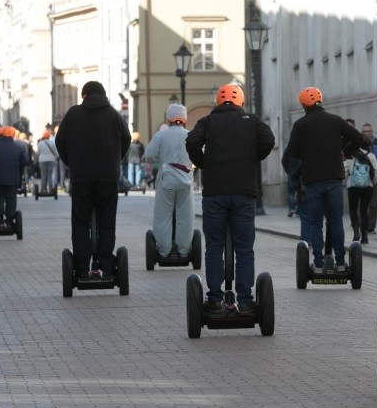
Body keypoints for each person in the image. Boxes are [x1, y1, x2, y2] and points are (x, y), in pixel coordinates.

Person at [185, 84, 274, 315]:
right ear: (240, 102)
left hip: (214, 193)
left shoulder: (208, 121)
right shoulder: (252, 120)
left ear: (218, 102)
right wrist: (252, 158)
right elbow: (269, 140)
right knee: (244, 248)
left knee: (214, 246)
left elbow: (192, 142)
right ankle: (245, 301)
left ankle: (215, 298)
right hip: (244, 192)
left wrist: (204, 162)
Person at [56, 81, 130, 278]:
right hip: (108, 176)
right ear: (104, 95)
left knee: (81, 222)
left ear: (84, 96)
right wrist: (115, 159)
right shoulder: (113, 114)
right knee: (106, 221)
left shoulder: (73, 114)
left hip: (81, 176)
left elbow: (60, 141)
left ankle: (81, 268)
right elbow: (126, 138)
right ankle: (106, 265)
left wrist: (72, 162)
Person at [287, 87, 363, 271]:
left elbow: (292, 152)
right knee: (336, 220)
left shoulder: (300, 125)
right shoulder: (335, 121)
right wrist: (343, 151)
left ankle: (319, 262)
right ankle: (341, 262)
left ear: (304, 105)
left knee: (315, 223)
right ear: (321, 101)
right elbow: (358, 138)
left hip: (313, 180)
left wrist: (307, 153)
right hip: (334, 179)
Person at [144, 104, 194, 257]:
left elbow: (149, 156)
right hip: (185, 181)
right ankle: (184, 251)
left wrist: (159, 159)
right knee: (185, 217)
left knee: (163, 216)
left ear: (169, 119)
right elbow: (199, 154)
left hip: (167, 180)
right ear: (184, 119)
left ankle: (164, 251)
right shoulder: (190, 135)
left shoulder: (161, 135)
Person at [0, 126, 29, 226]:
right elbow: (25, 161)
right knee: (11, 199)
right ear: (13, 135)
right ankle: (9, 221)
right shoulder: (18, 148)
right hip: (13, 179)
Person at [344, 136, 377, 245]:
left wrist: (347, 180)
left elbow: (346, 170)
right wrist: (371, 182)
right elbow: (376, 172)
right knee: (364, 210)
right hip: (367, 186)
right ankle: (364, 235)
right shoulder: (371, 156)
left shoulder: (351, 156)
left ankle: (356, 231)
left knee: (353, 209)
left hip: (353, 186)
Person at [361, 122, 377, 233]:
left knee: (374, 201)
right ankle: (362, 223)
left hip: (375, 173)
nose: (366, 133)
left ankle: (371, 225)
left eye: (368, 131)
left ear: (372, 132)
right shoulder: (358, 143)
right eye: (364, 131)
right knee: (362, 201)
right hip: (362, 174)